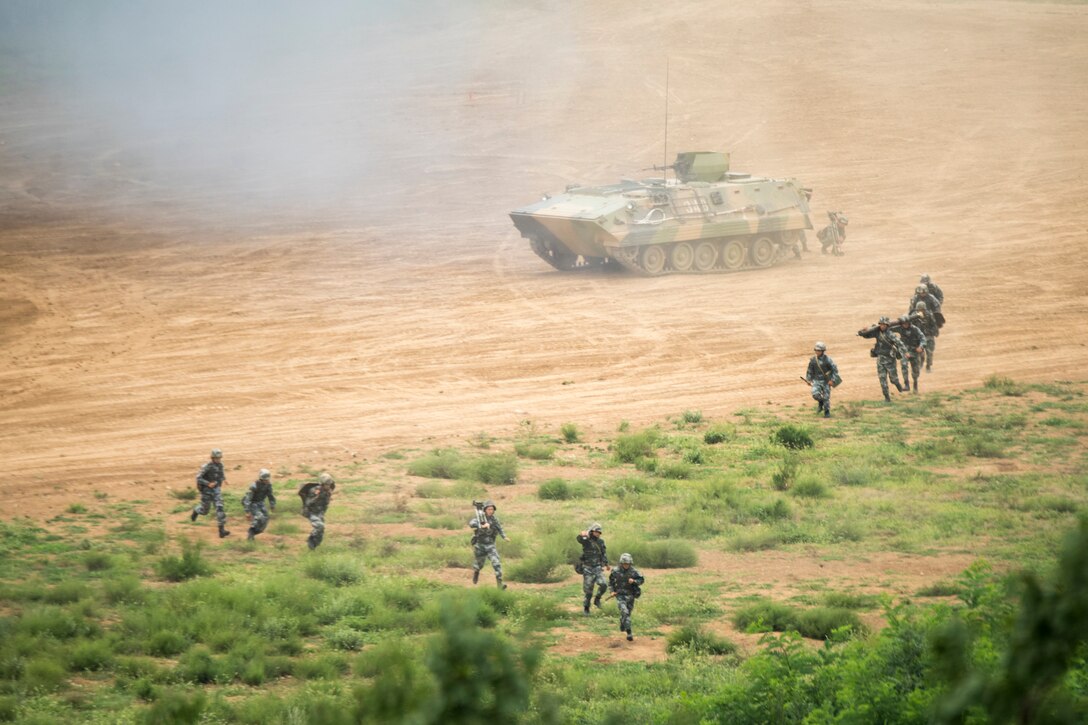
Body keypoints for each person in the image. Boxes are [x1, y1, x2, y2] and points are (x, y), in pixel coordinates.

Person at [857, 316, 907, 402]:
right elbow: (866, 335)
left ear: (887, 325)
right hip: (880, 359)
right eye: (881, 324)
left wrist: (904, 352)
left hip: (890, 360)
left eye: (884, 325)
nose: (882, 326)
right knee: (882, 380)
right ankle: (887, 398)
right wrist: (863, 331)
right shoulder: (877, 333)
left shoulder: (891, 334)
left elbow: (900, 343)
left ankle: (898, 385)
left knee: (893, 379)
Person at [469, 499, 509, 589]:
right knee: (479, 564)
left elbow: (500, 528)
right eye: (489, 509)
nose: (491, 511)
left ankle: (500, 584)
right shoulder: (479, 518)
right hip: (480, 546)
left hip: (491, 546)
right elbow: (471, 523)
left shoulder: (494, 520)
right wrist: (481, 525)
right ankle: (476, 572)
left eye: (492, 509)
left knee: (496, 563)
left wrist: (504, 536)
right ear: (485, 510)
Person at [191, 448, 230, 538]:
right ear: (212, 458)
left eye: (219, 458)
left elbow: (221, 473)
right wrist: (208, 483)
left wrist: (224, 479)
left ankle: (221, 530)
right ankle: (196, 510)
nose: (218, 460)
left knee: (220, 508)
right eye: (216, 458)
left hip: (216, 490)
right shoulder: (207, 466)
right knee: (205, 511)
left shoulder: (220, 465)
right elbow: (198, 478)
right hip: (206, 491)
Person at [608, 553, 645, 642]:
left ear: (630, 563)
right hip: (620, 595)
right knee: (625, 612)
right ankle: (629, 633)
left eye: (627, 564)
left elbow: (641, 580)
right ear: (621, 563)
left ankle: (622, 622)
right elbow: (611, 582)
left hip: (630, 596)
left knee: (627, 614)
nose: (626, 565)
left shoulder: (634, 571)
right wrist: (612, 591)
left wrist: (634, 581)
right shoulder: (615, 571)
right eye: (624, 564)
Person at [577, 523, 609, 616]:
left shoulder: (601, 542)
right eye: (596, 531)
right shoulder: (586, 541)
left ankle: (597, 599)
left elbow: (603, 553)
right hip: (588, 568)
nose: (598, 533)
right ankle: (586, 608)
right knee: (588, 591)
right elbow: (579, 539)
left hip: (598, 568)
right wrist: (582, 534)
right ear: (592, 531)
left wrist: (606, 564)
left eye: (599, 532)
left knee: (603, 584)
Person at [300, 473, 335, 550]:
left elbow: (325, 504)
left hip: (320, 512)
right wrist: (316, 497)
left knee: (321, 532)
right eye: (327, 484)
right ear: (322, 484)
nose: (328, 486)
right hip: (311, 512)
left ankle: (314, 546)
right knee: (319, 526)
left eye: (329, 484)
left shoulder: (328, 491)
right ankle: (311, 541)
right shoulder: (315, 491)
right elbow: (308, 503)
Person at [805, 341, 840, 418]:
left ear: (823, 351)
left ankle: (827, 412)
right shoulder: (813, 360)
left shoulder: (828, 360)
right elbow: (810, 370)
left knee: (826, 398)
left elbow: (834, 370)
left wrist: (832, 380)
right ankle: (820, 403)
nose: (817, 352)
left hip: (826, 381)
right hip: (816, 381)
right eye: (816, 350)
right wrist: (808, 379)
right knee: (815, 395)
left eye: (819, 350)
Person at [894, 315, 927, 392]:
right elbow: (887, 329)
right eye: (903, 323)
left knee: (915, 371)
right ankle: (906, 385)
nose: (905, 325)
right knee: (904, 366)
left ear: (909, 323)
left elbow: (923, 339)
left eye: (906, 323)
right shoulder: (900, 328)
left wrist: (921, 347)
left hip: (914, 352)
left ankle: (915, 384)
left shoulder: (915, 329)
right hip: (905, 351)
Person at [242, 468, 277, 542]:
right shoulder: (254, 486)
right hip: (252, 503)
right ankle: (251, 531)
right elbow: (248, 499)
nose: (267, 481)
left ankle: (256, 532)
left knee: (266, 518)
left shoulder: (268, 485)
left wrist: (272, 505)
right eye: (265, 479)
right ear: (261, 479)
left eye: (268, 479)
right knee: (259, 517)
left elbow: (270, 495)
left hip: (260, 503)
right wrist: (247, 511)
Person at [911, 301, 939, 372]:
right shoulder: (914, 316)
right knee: (920, 353)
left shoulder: (929, 315)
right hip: (919, 338)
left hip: (928, 336)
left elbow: (934, 325)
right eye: (919, 310)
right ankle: (920, 364)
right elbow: (911, 326)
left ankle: (928, 366)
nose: (920, 311)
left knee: (929, 352)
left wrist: (933, 332)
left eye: (922, 309)